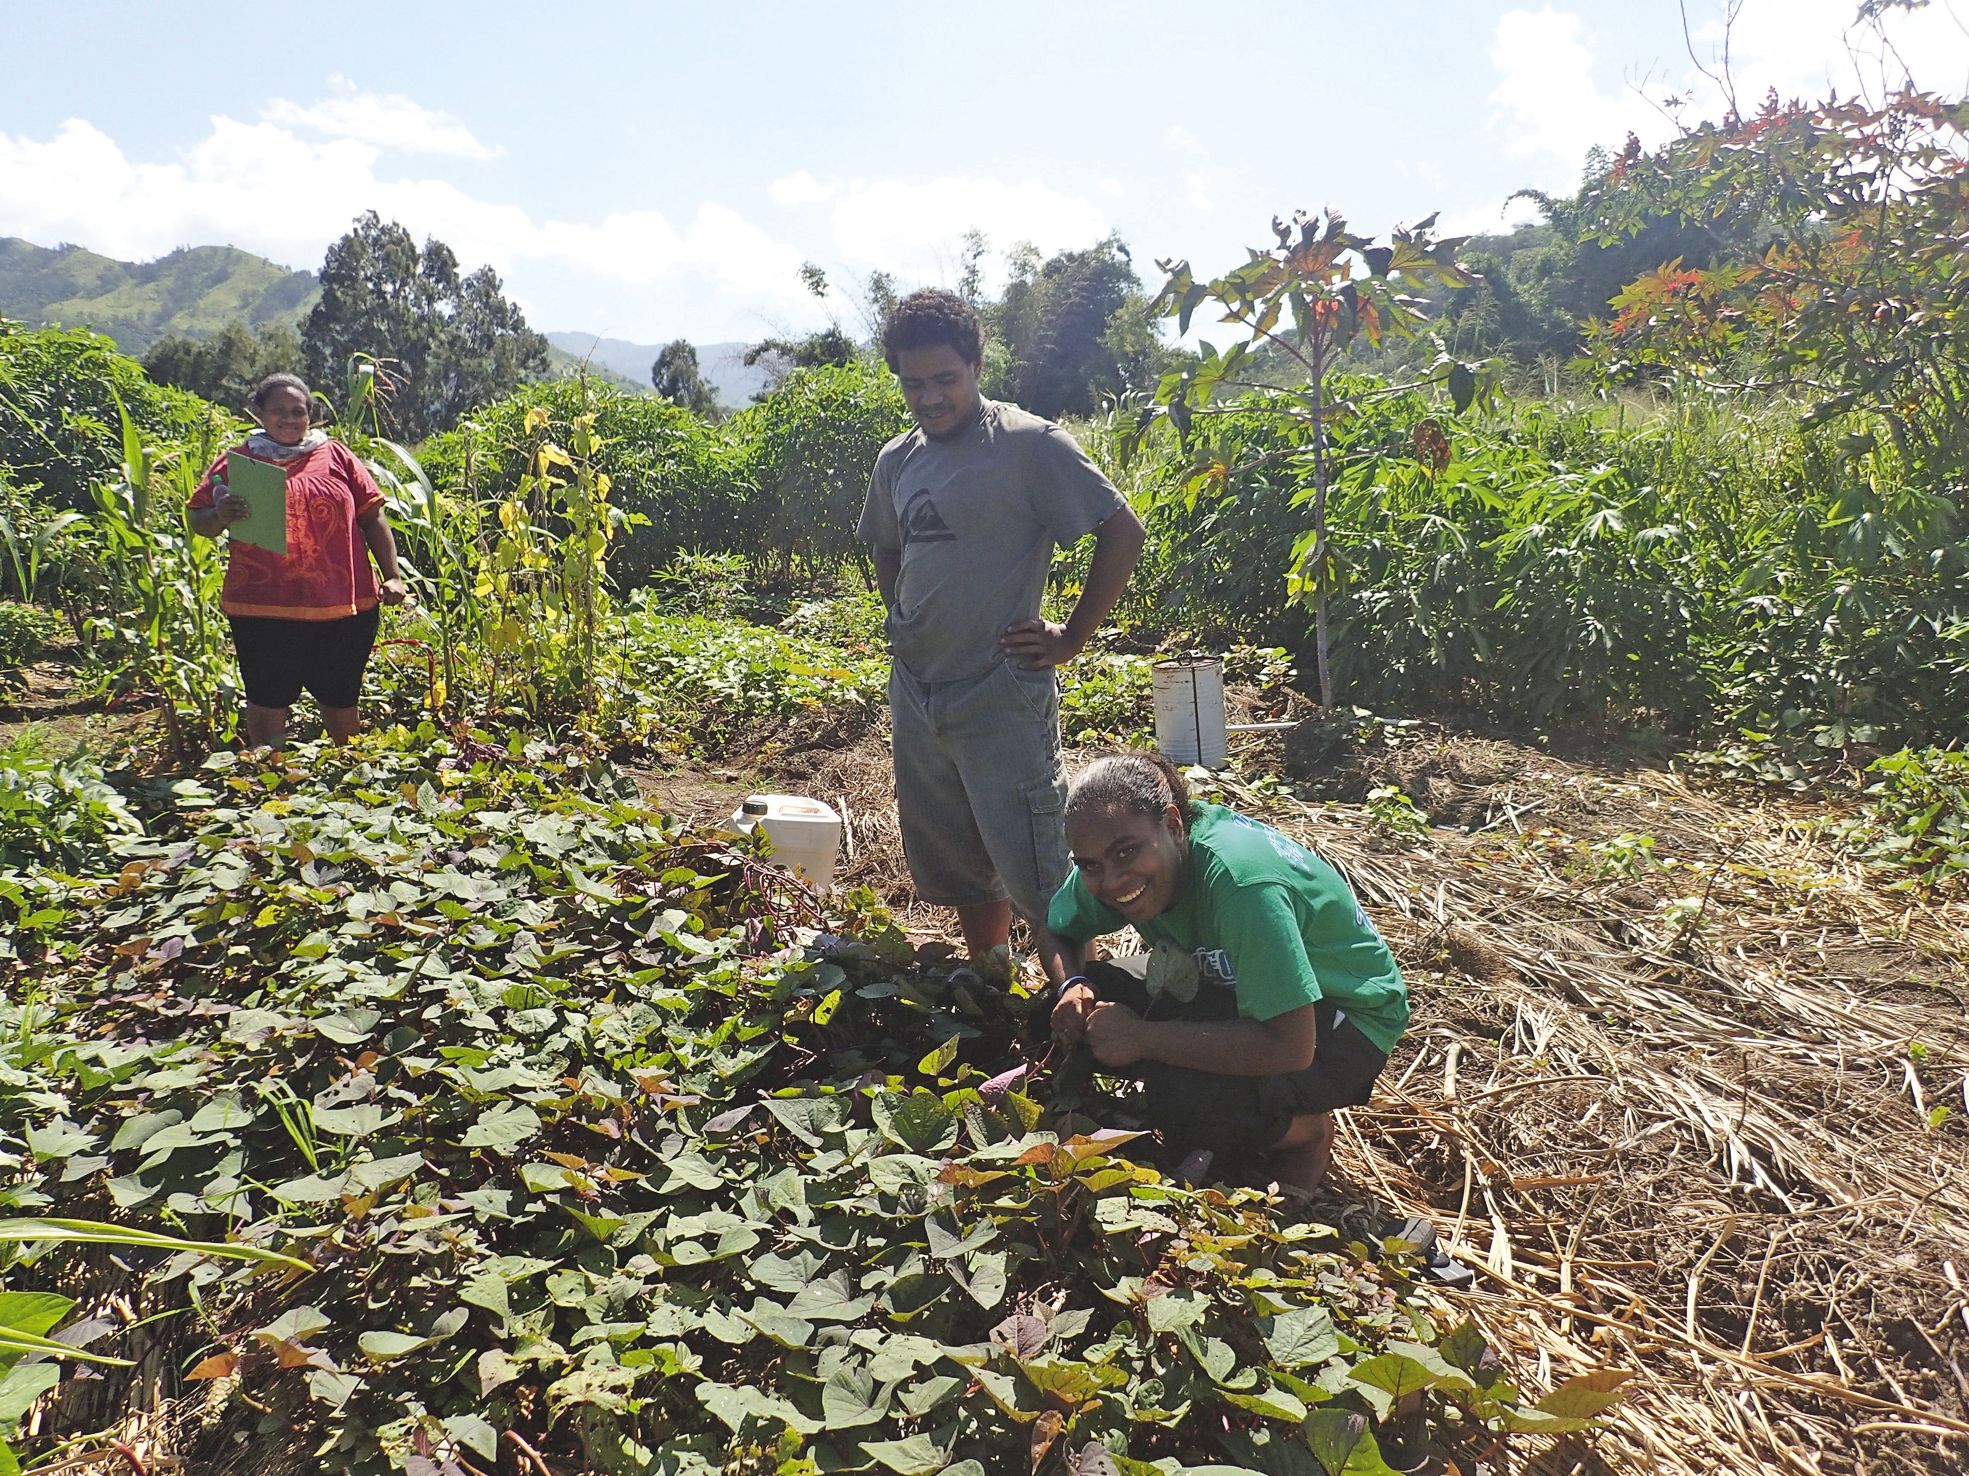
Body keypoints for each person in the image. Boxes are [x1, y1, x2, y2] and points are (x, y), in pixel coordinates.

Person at [858, 288, 1145, 984]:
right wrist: (901, 615)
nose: (929, 398)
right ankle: (990, 971)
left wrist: (1073, 637)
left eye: (945, 380)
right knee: (956, 854)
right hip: (919, 689)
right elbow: (886, 546)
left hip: (997, 689)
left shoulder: (1027, 445)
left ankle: (1079, 1001)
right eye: (913, 384)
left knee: (1036, 860)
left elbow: (1121, 530)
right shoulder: (898, 459)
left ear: (976, 365)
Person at [1047, 751, 1410, 1190]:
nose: (1112, 882)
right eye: (1090, 866)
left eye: (1126, 853)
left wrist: (1140, 1038)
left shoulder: (1242, 884)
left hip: (1340, 1023)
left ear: (1174, 825)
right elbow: (1057, 929)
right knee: (1064, 1012)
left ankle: (1304, 1133)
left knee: (1184, 1099)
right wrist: (1072, 984)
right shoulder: (1115, 856)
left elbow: (1291, 1047)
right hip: (1231, 982)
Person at [188, 373, 408, 747]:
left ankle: (348, 777)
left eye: (298, 411)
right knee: (267, 698)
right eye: (278, 411)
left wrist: (393, 575)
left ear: (310, 415)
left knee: (341, 697)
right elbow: (199, 520)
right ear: (259, 412)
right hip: (263, 607)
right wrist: (221, 515)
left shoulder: (336, 455)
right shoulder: (237, 462)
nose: (289, 419)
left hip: (342, 606)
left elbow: (373, 517)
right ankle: (269, 782)